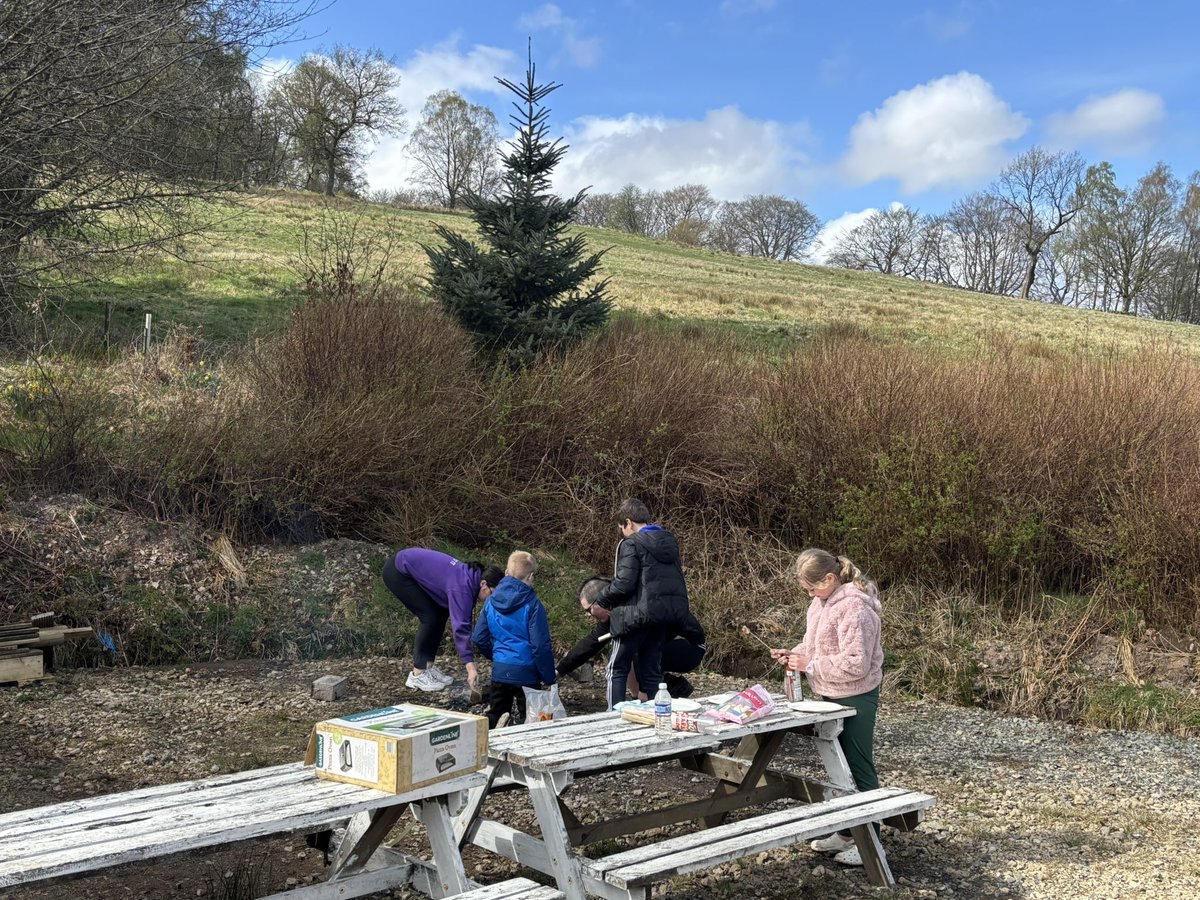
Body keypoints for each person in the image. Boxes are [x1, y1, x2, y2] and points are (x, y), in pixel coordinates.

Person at [770, 548, 884, 869]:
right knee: (839, 767)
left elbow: (856, 663)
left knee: (858, 766)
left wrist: (811, 664)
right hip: (829, 693)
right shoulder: (819, 603)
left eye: (812, 587)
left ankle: (870, 840)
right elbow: (814, 645)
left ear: (830, 579)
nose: (809, 594)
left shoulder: (855, 609)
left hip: (857, 696)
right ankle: (849, 831)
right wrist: (794, 655)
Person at [591, 498, 691, 710]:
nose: (622, 533)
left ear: (628, 522)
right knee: (651, 669)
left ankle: (612, 717)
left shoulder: (631, 543)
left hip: (634, 616)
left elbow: (624, 584)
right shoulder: (669, 541)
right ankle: (656, 717)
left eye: (622, 528)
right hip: (662, 616)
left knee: (616, 668)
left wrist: (601, 600)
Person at [558, 576, 706, 699]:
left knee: (634, 650)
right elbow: (591, 643)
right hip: (661, 644)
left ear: (601, 601)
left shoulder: (636, 605)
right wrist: (560, 670)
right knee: (626, 651)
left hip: (689, 644)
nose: (588, 614)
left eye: (589, 610)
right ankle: (666, 689)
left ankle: (649, 696)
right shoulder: (614, 614)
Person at [382, 548, 503, 693]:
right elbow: (461, 628)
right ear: (483, 584)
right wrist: (471, 668)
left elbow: (463, 617)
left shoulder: (472, 577)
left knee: (440, 613)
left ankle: (427, 667)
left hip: (408, 566)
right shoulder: (462, 588)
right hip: (398, 571)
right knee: (430, 617)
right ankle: (417, 674)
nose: (491, 598)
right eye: (492, 593)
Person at [472, 551, 556, 728]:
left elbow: (479, 638)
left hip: (501, 671)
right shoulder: (533, 605)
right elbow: (540, 646)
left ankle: (489, 752)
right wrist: (548, 676)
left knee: (495, 719)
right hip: (527, 672)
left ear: (506, 572)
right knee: (533, 721)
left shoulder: (490, 602)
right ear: (531, 576)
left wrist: (496, 656)